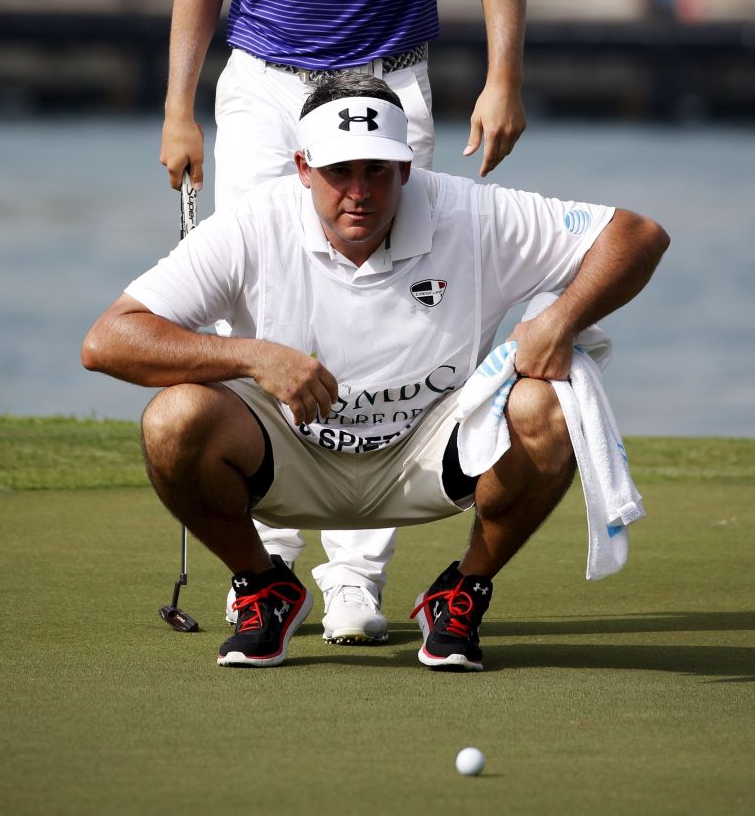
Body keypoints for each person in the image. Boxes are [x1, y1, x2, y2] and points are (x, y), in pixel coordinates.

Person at [157, 0, 527, 642]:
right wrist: (178, 105)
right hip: (265, 88)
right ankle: (266, 558)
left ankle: (356, 570)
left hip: (385, 84)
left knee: (381, 311)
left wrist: (500, 79)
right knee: (252, 293)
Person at [84, 73, 669, 670]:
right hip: (287, 459)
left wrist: (559, 321)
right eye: (339, 171)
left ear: (406, 170)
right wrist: (253, 356)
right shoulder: (253, 223)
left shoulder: (471, 213)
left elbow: (637, 235)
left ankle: (462, 591)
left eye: (377, 170)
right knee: (174, 418)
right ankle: (263, 586)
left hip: (433, 456)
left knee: (547, 405)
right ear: (304, 168)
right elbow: (107, 340)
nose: (358, 192)